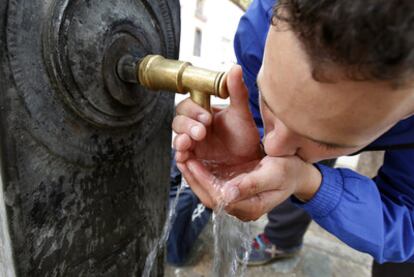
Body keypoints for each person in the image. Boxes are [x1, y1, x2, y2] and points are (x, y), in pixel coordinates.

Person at [172, 0, 414, 271]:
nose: (271, 147)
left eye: (324, 140)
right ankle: (285, 236)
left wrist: (312, 183)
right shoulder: (259, 31)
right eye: (268, 99)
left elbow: (409, 221)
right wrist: (255, 134)